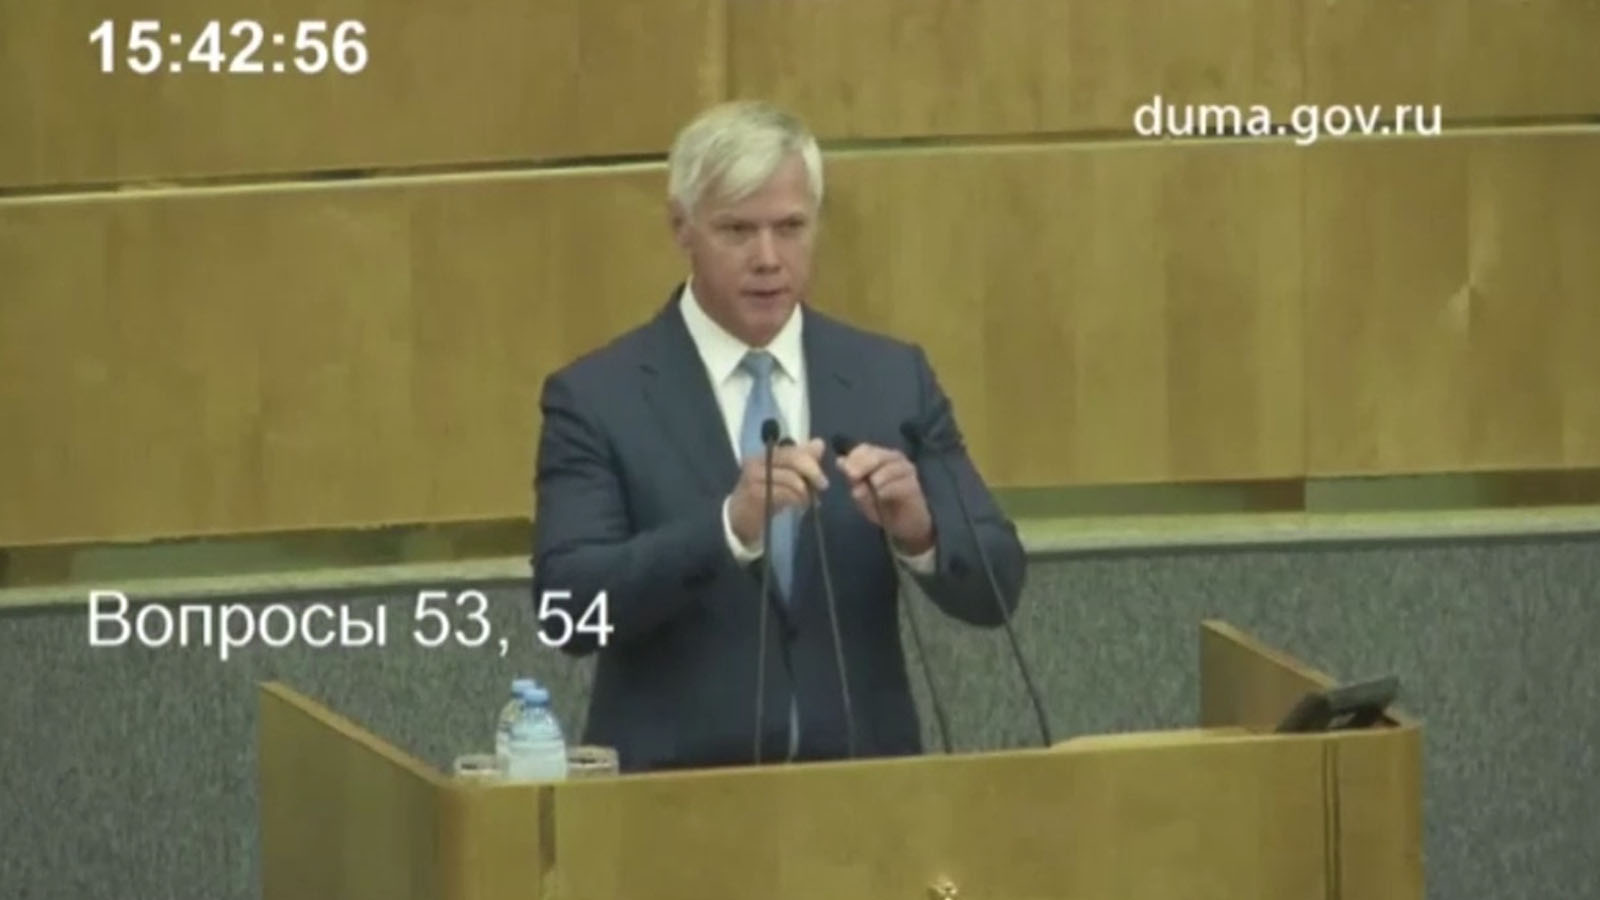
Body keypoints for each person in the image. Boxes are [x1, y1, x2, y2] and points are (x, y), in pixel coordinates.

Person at [530, 100, 1026, 773]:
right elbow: (565, 612)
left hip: (864, 794)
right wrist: (728, 529)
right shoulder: (599, 397)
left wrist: (922, 533)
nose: (768, 258)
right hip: (675, 803)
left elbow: (998, 584)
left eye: (790, 228)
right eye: (737, 230)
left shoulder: (890, 379)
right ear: (681, 227)